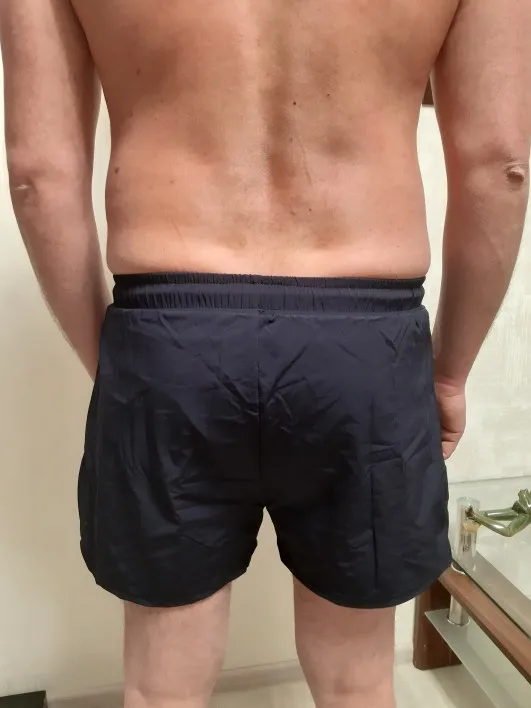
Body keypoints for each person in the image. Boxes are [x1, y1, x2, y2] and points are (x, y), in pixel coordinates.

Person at [1, 0, 529, 706]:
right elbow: (501, 167)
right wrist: (449, 373)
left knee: (161, 691)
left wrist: (124, 363)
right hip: (365, 350)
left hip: (167, 336)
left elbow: (38, 177)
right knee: (356, 686)